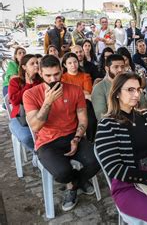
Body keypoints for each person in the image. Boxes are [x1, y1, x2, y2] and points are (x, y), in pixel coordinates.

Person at [23, 55, 100, 211]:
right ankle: (74, 184)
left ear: (61, 70)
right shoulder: (30, 94)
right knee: (62, 173)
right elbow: (36, 126)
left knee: (97, 159)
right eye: (48, 75)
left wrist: (77, 138)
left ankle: (74, 185)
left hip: (73, 136)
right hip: (47, 142)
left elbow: (83, 120)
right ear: (40, 73)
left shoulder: (75, 90)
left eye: (57, 74)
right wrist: (48, 102)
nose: (53, 79)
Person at [95, 72, 147, 224]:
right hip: (128, 185)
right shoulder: (107, 125)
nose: (136, 94)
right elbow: (113, 168)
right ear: (117, 93)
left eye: (138, 89)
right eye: (130, 90)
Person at [7, 54, 41, 151]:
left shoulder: (40, 80)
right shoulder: (15, 81)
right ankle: (37, 154)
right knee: (27, 138)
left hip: (38, 114)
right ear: (24, 67)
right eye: (32, 63)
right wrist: (28, 85)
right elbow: (14, 101)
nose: (36, 65)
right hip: (20, 117)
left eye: (37, 63)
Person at [91, 54, 126, 121]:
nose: (120, 70)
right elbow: (101, 116)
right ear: (107, 69)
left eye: (122, 67)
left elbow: (143, 108)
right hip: (112, 126)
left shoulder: (132, 84)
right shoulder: (99, 88)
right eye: (116, 67)